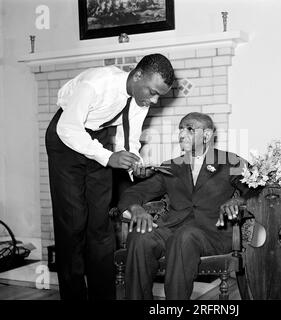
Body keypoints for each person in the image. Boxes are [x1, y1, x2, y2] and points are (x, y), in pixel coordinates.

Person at [45, 53, 174, 300]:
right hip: (65, 139)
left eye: (159, 95)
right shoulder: (96, 83)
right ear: (137, 75)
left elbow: (130, 137)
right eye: (152, 91)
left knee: (100, 226)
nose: (154, 100)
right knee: (72, 224)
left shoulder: (139, 98)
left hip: (97, 137)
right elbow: (67, 127)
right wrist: (107, 157)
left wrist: (133, 162)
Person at [117, 112, 254, 300]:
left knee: (185, 237)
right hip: (172, 228)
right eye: (180, 129)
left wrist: (239, 200)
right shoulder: (171, 167)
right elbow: (135, 192)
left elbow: (255, 189)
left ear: (206, 135)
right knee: (140, 236)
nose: (181, 134)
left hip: (212, 233)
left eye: (189, 129)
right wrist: (135, 208)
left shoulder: (231, 161)